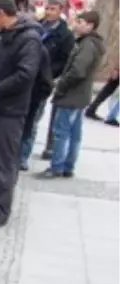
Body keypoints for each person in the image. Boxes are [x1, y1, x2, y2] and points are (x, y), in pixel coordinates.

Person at [0, 0, 42, 227]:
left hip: (10, 110)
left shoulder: (29, 39)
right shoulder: (4, 36)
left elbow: (25, 75)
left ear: (2, 14)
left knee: (2, 162)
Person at [41, 10, 105, 179]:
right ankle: (67, 165)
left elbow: (78, 71)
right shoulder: (88, 43)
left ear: (91, 26)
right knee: (74, 132)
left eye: (80, 22)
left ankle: (57, 166)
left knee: (62, 132)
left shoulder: (87, 45)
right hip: (79, 95)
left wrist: (61, 84)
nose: (76, 25)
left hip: (72, 94)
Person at [31, 0, 77, 160]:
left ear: (60, 11)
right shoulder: (37, 27)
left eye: (53, 9)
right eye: (47, 8)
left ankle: (36, 150)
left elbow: (65, 60)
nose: (49, 12)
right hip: (29, 74)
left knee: (36, 114)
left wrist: (50, 74)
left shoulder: (65, 35)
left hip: (45, 78)